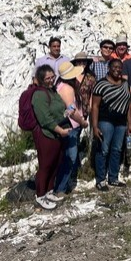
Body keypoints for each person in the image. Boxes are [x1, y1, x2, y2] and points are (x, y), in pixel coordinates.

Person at [31, 65, 71, 210]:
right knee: (46, 165)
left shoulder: (52, 91)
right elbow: (45, 118)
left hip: (57, 134)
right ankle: (40, 195)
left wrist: (67, 114)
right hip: (47, 135)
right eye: (47, 78)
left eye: (52, 77)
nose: (51, 80)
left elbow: (57, 110)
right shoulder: (40, 95)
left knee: (55, 163)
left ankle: (49, 190)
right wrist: (60, 130)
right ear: (41, 79)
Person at [91, 59, 131, 190]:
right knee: (103, 149)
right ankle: (100, 179)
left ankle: (113, 178)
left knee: (117, 150)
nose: (117, 69)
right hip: (105, 121)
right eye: (114, 66)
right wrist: (95, 126)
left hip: (121, 122)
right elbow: (95, 106)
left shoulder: (125, 84)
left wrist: (130, 124)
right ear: (109, 67)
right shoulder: (101, 84)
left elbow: (128, 106)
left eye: (120, 67)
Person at [53, 61, 89, 196]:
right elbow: (71, 110)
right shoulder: (67, 88)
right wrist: (82, 122)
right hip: (71, 126)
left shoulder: (62, 85)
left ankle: (65, 184)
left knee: (68, 156)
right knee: (70, 157)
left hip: (69, 125)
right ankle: (61, 188)